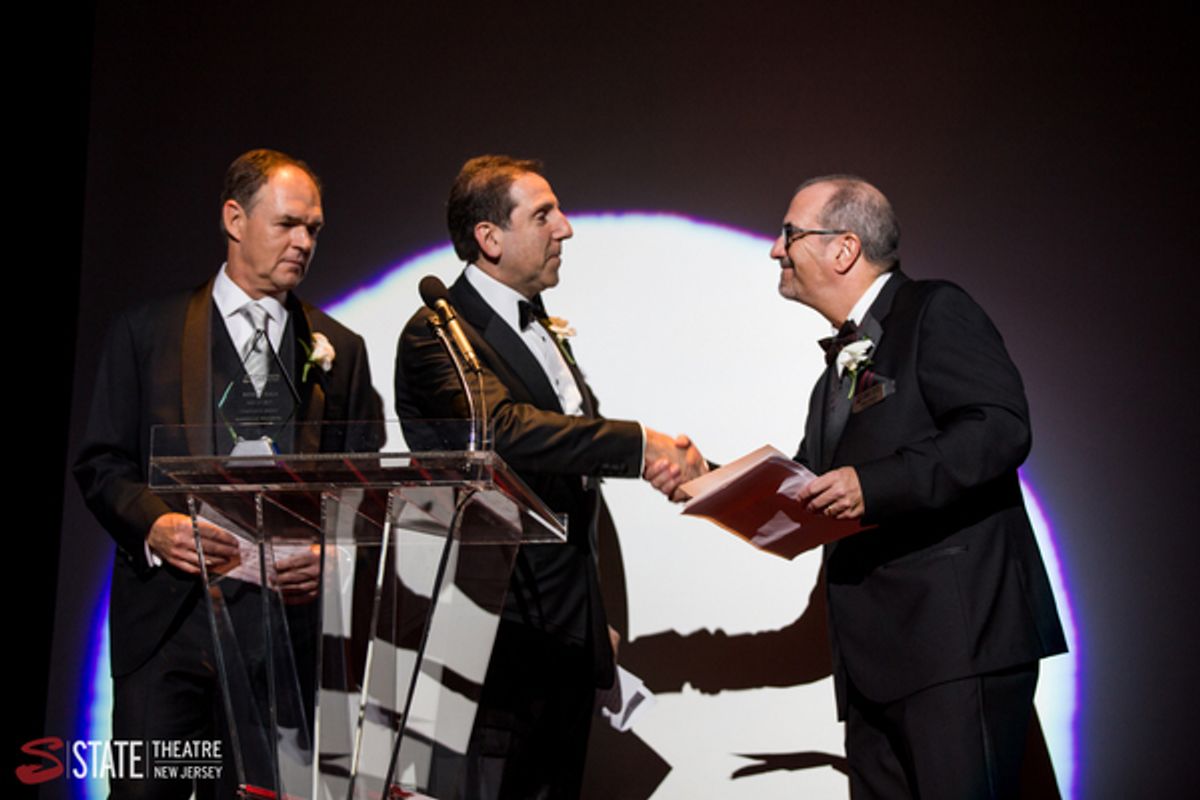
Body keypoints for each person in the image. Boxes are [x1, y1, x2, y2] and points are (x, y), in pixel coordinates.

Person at [652, 175, 1066, 798]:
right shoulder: (832, 380)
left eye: (789, 233)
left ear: (844, 248)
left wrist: (871, 486)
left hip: (956, 643)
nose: (775, 249)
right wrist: (705, 477)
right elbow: (801, 484)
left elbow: (999, 428)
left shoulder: (934, 309)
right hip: (875, 665)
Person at [74, 148, 384, 799]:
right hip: (168, 635)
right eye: (289, 224)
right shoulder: (145, 332)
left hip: (283, 644)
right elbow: (102, 461)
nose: (304, 243)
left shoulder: (340, 352)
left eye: (314, 230)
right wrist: (155, 525)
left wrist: (333, 551)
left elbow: (366, 488)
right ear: (234, 218)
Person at [394, 154, 703, 799]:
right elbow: (503, 431)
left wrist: (594, 617)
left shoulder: (539, 326)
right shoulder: (437, 334)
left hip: (563, 636)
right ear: (489, 238)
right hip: (495, 638)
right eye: (543, 215)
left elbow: (568, 476)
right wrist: (641, 446)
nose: (565, 229)